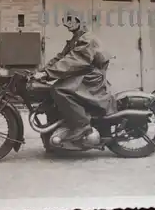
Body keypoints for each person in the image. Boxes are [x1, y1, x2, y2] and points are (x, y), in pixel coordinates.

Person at [33, 11, 117, 142]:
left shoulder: (87, 39)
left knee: (59, 90)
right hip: (83, 73)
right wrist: (42, 71)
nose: (69, 23)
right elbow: (61, 57)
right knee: (51, 91)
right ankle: (56, 128)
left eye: (73, 19)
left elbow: (75, 60)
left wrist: (47, 74)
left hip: (91, 76)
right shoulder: (76, 38)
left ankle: (82, 125)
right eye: (67, 20)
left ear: (81, 21)